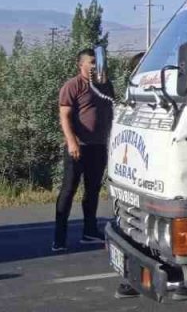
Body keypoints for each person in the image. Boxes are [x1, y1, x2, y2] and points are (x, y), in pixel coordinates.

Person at [54, 49, 114, 252]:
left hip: (98, 146)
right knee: (69, 190)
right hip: (78, 147)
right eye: (91, 62)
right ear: (81, 65)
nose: (95, 65)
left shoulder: (104, 85)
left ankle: (89, 231)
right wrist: (72, 142)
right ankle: (59, 238)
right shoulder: (72, 86)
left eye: (97, 61)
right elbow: (65, 116)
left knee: (93, 190)